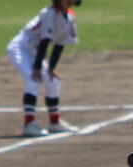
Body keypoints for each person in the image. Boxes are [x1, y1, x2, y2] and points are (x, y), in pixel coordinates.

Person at [7, 0, 82, 138]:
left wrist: (51, 68)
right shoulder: (49, 13)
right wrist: (36, 68)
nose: (69, 1)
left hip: (34, 51)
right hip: (20, 48)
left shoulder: (70, 17)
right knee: (33, 80)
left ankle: (55, 123)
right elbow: (45, 41)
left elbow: (60, 44)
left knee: (53, 80)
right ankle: (29, 125)